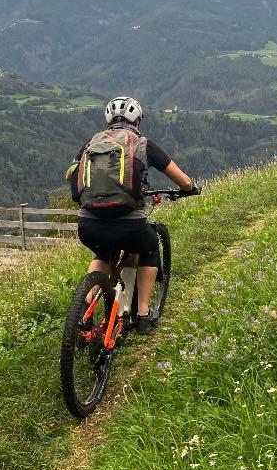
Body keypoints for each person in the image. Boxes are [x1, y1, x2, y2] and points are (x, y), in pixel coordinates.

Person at [65, 96, 199, 334]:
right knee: (149, 248)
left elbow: (70, 175)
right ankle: (143, 314)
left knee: (102, 254)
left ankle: (82, 312)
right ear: (137, 120)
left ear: (108, 120)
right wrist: (190, 189)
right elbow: (183, 180)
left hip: (89, 224)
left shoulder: (91, 143)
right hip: (129, 225)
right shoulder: (143, 144)